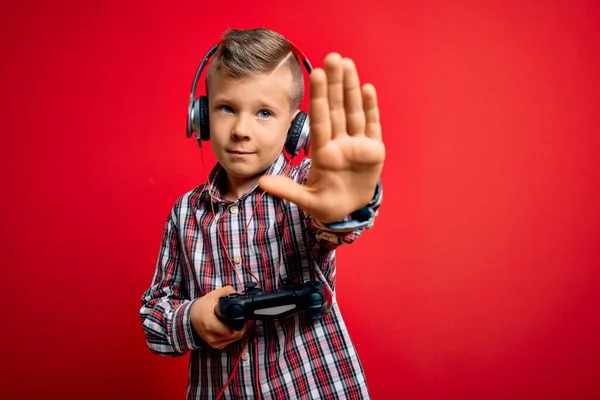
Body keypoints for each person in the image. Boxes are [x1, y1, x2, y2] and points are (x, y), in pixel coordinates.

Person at [139, 27, 385, 399]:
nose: (240, 130)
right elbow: (154, 319)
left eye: (264, 113)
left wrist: (348, 207)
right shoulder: (185, 214)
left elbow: (333, 224)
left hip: (313, 386)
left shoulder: (306, 189)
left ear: (295, 128)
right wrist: (191, 319)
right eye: (226, 108)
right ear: (200, 117)